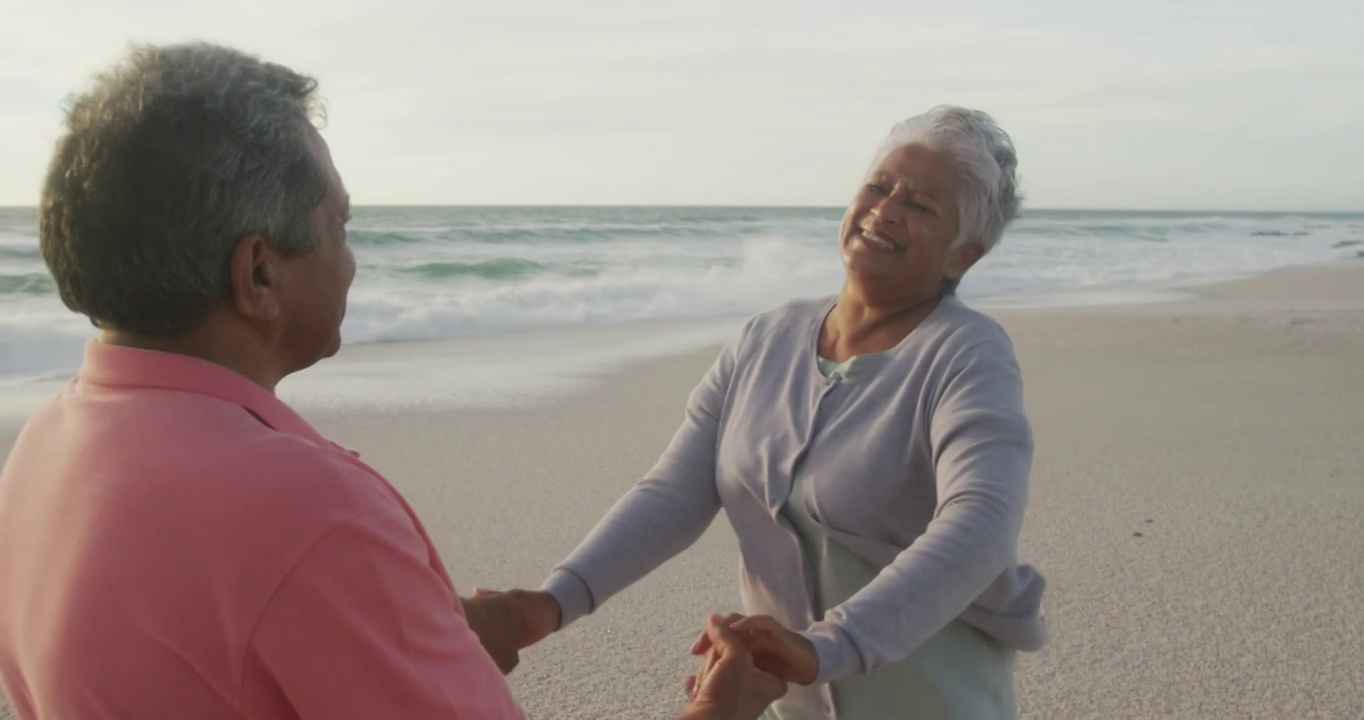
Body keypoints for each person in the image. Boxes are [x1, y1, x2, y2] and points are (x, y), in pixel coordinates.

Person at [0, 42, 784, 720]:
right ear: (259, 273)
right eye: (338, 225)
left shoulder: (44, 450)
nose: (351, 257)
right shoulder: (305, 511)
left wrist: (419, 628)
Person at [490, 106, 1049, 718]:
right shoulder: (766, 338)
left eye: (920, 206)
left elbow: (982, 524)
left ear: (961, 256)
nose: (886, 210)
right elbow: (673, 491)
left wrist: (825, 648)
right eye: (879, 186)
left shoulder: (967, 354)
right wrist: (551, 603)